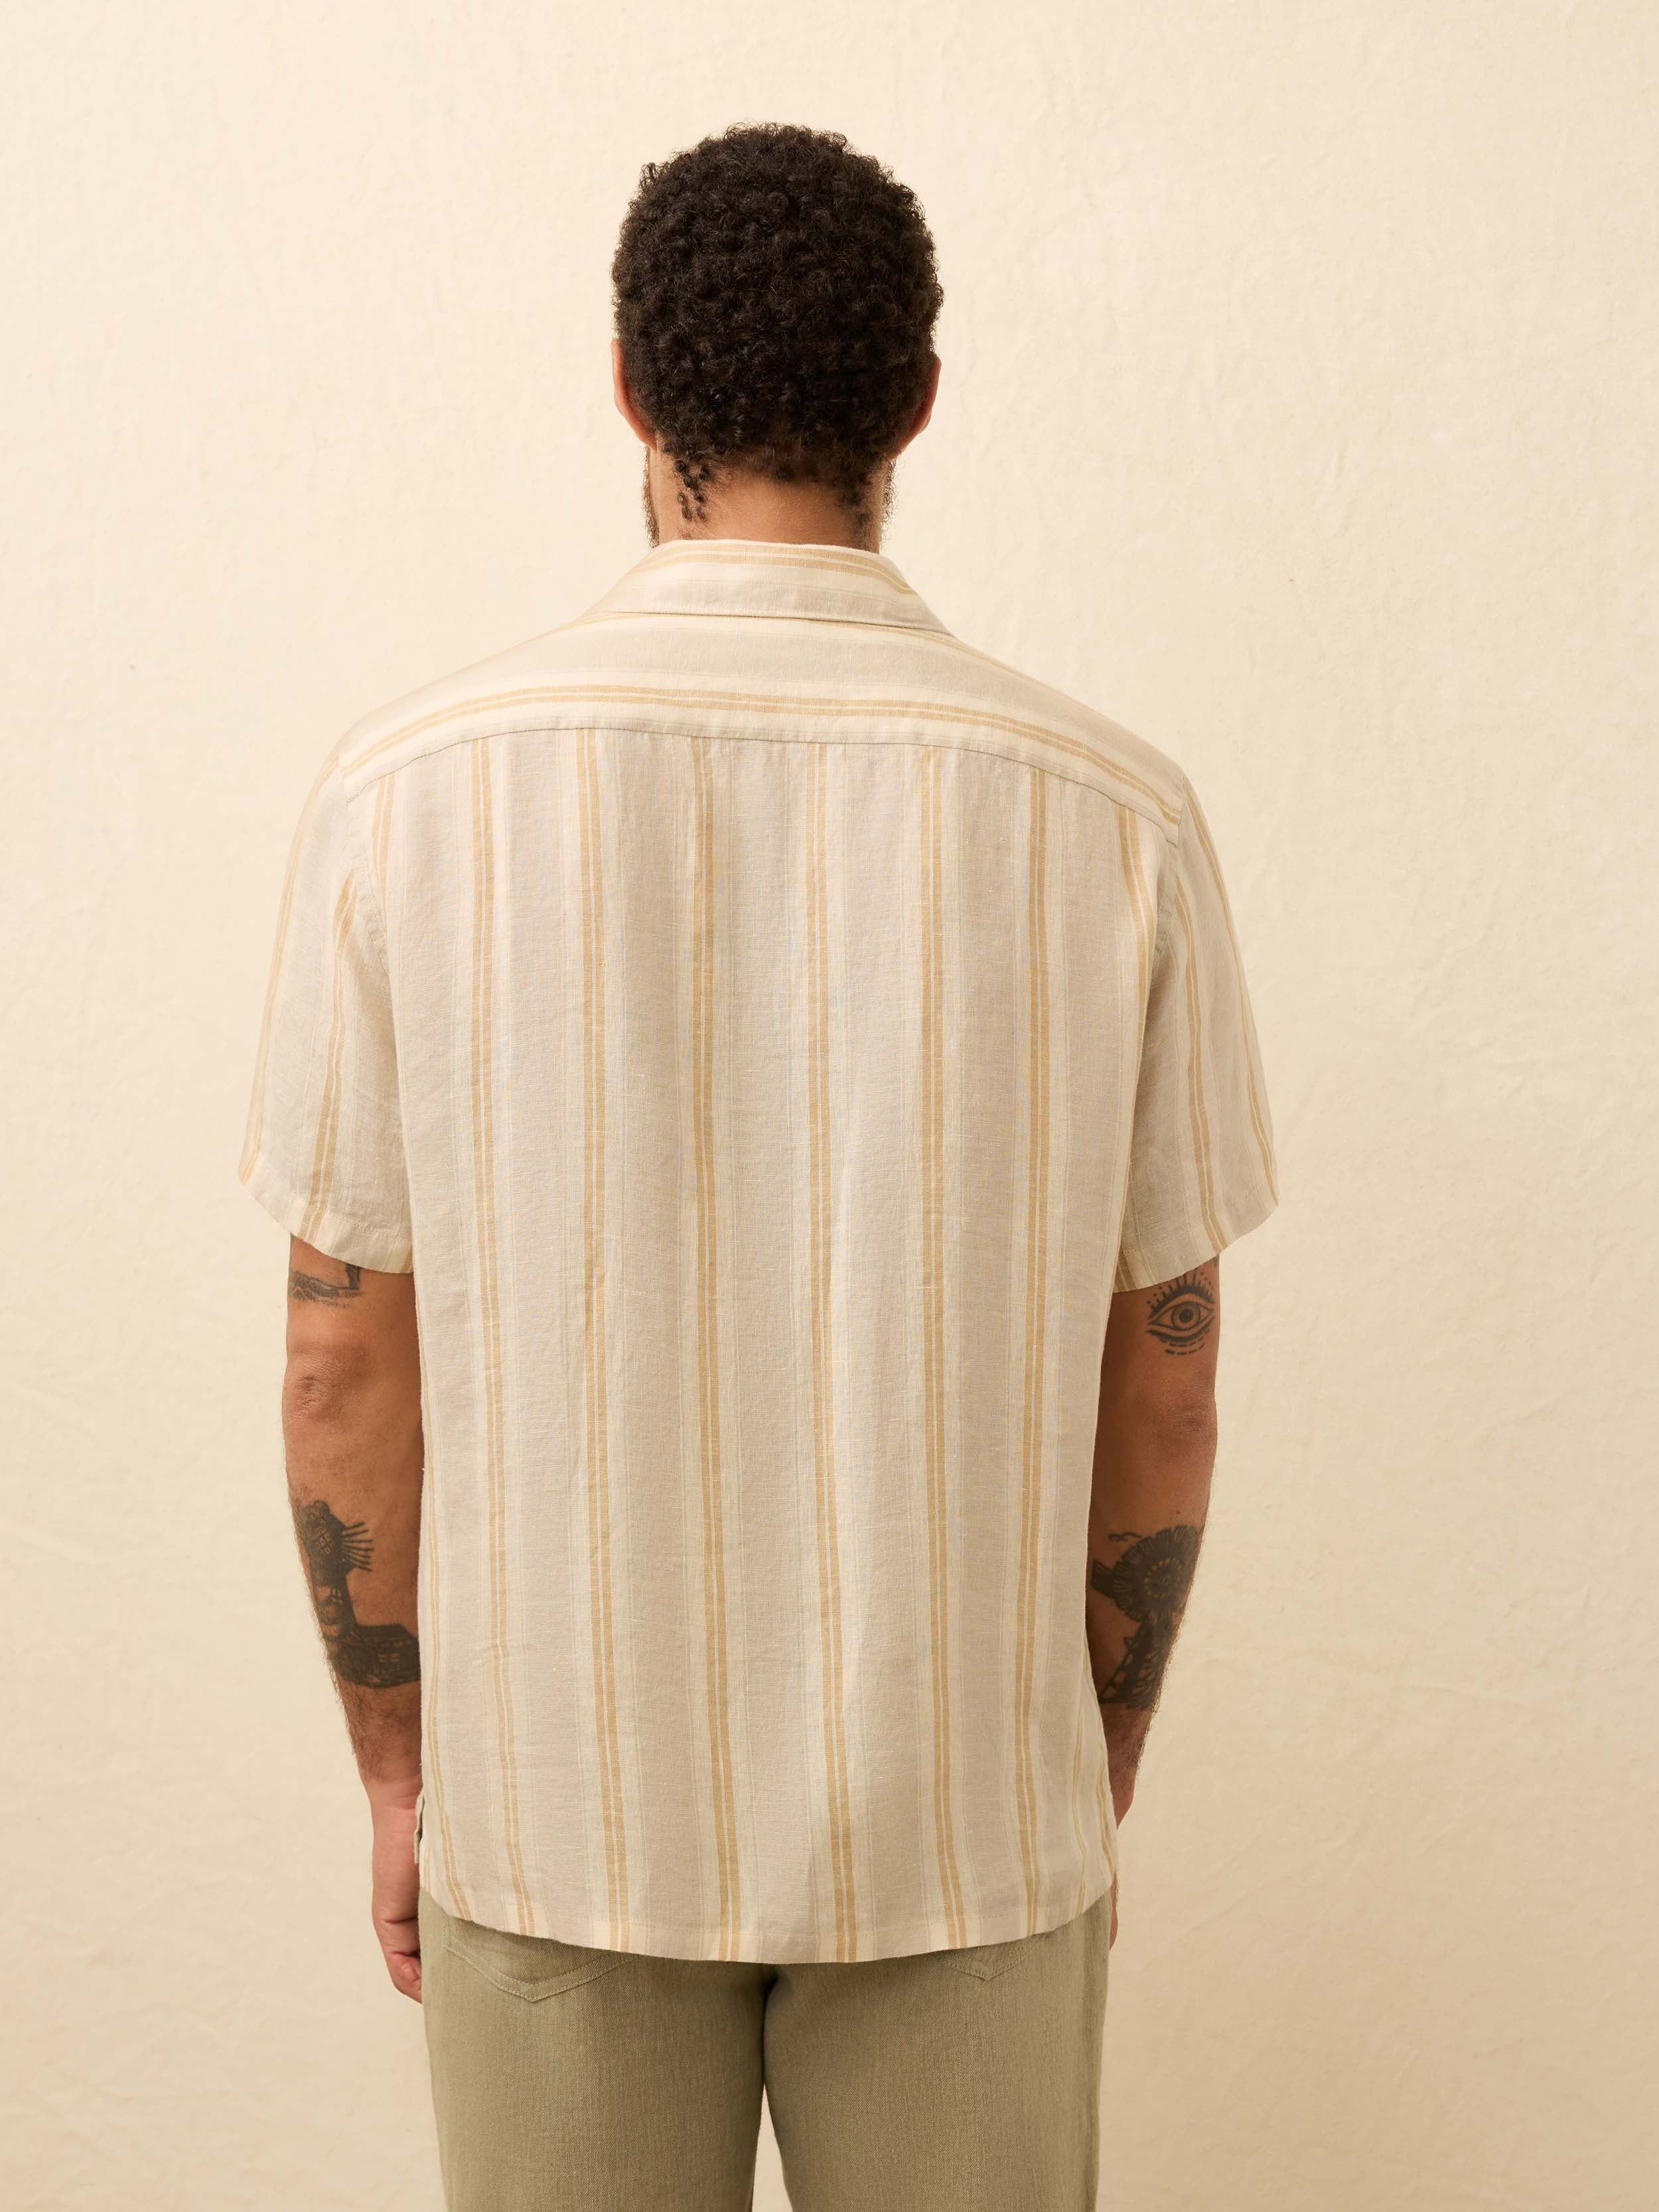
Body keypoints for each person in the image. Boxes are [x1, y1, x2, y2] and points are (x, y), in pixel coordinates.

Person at [240, 121, 1278, 2212]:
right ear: (916, 402)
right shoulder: (1107, 810)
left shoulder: (413, 791)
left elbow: (339, 1360)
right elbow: (1160, 1378)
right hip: (964, 1829)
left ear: (632, 388)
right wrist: (1086, 1767)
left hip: (559, 1816)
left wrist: (401, 1773)